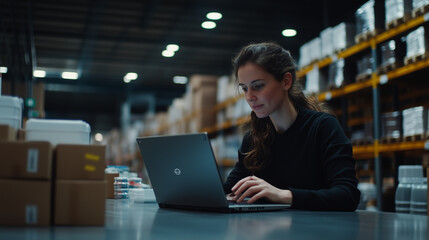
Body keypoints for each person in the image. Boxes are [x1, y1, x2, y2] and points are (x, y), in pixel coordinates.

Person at [223, 42, 361, 211]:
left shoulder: (323, 127)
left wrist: (282, 195)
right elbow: (228, 190)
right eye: (244, 89)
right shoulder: (253, 140)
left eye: (258, 86)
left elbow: (347, 195)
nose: (249, 97)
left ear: (286, 81)